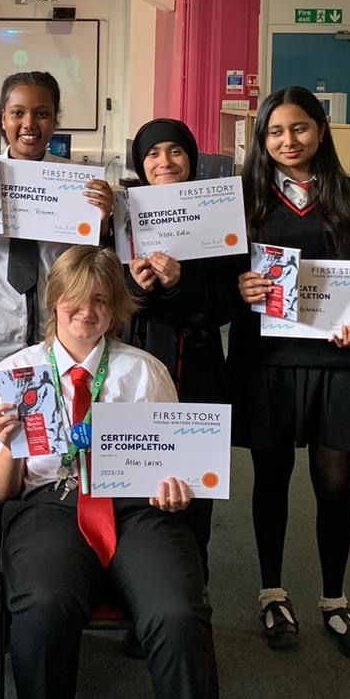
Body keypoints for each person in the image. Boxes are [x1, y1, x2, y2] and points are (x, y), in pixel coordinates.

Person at [0, 245, 220, 699]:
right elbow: (1, 491)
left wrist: (177, 491)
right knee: (42, 606)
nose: (86, 312)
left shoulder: (145, 372)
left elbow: (175, 466)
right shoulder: (16, 373)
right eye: (74, 299)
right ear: (53, 301)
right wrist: (6, 445)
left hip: (137, 509)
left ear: (115, 308)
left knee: (178, 613)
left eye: (100, 300)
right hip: (51, 505)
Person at [229, 87, 350, 661]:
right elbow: (216, 275)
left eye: (299, 128)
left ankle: (334, 598)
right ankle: (272, 592)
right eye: (275, 132)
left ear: (321, 131)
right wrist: (239, 286)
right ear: (262, 139)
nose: (288, 141)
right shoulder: (245, 198)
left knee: (336, 487)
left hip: (339, 363)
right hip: (268, 364)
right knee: (270, 480)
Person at [121, 117, 244, 594]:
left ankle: (192, 589)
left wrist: (179, 284)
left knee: (192, 485)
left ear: (191, 159)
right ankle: (138, 587)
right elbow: (102, 300)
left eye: (175, 151)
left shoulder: (217, 214)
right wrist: (136, 287)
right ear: (140, 163)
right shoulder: (122, 215)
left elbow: (228, 303)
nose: (165, 162)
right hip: (136, 363)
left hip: (198, 366)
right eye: (153, 154)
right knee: (135, 476)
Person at [0, 71, 112, 377]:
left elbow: (94, 264)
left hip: (57, 337)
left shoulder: (78, 185)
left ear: (55, 120)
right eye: (18, 113)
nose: (29, 123)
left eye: (42, 114)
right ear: (3, 118)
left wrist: (103, 223)